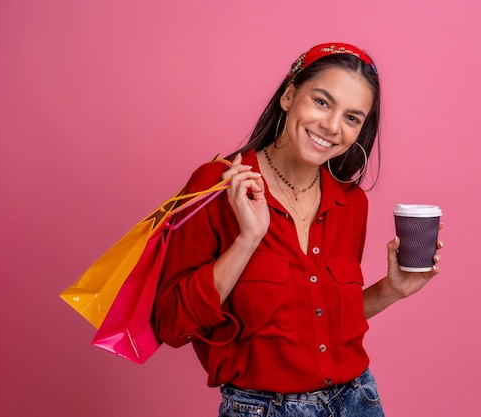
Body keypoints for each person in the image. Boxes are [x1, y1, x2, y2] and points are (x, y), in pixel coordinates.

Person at [153, 42, 443, 417]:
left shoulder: (351, 203)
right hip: (263, 408)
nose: (332, 126)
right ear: (289, 95)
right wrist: (247, 239)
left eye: (352, 118)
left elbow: (320, 322)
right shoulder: (218, 185)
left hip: (358, 401)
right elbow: (173, 326)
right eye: (322, 102)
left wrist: (392, 290)